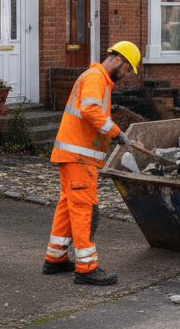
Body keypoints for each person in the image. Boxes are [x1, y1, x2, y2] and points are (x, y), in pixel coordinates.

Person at [42, 40, 142, 285]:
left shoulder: (95, 77)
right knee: (85, 210)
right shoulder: (96, 77)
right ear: (118, 60)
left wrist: (117, 136)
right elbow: (90, 111)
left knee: (68, 206)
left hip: (73, 156)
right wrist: (117, 133)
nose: (126, 75)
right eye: (128, 68)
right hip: (79, 157)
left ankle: (54, 259)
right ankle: (87, 268)